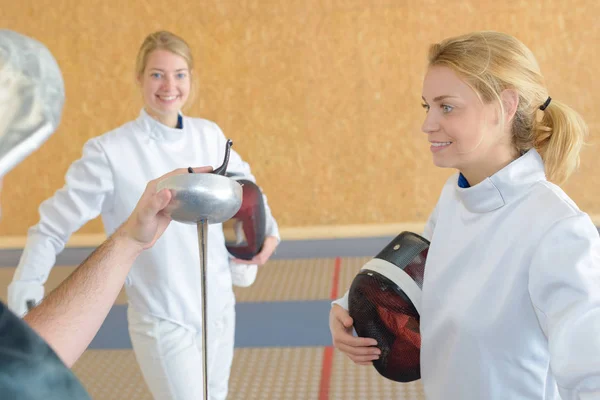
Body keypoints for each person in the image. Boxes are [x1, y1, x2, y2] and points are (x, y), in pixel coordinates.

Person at [8, 30, 280, 400]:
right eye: (157, 74)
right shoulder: (111, 151)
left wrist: (268, 234)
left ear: (191, 79)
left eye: (179, 74)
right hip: (162, 318)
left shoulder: (210, 135)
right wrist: (27, 287)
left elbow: (247, 191)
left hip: (218, 308)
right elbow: (52, 227)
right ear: (139, 78)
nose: (169, 85)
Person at [329, 31, 600, 399]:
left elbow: (591, 378)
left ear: (504, 107)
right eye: (427, 106)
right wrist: (349, 308)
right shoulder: (457, 198)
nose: (428, 124)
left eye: (447, 106)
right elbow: (418, 275)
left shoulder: (558, 230)